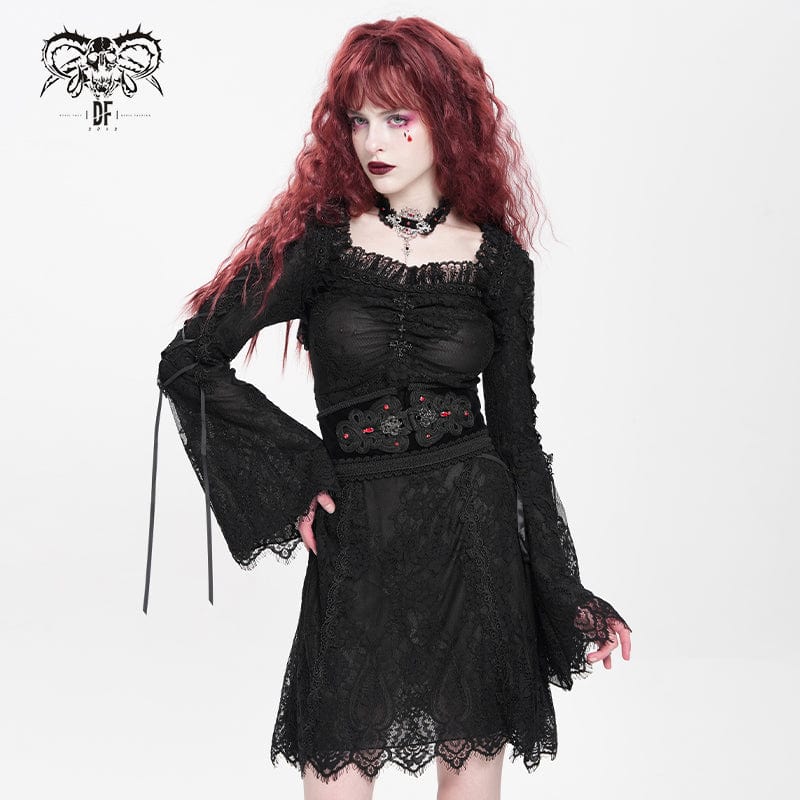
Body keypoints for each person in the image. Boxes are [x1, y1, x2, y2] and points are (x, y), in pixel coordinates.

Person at [143, 15, 633, 800]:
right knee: (336, 772)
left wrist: (564, 589)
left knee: (471, 777)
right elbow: (189, 360)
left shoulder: (499, 263)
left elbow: (517, 434)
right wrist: (298, 473)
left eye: (398, 117)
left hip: (474, 539)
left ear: (448, 119)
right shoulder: (321, 249)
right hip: (359, 538)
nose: (375, 140)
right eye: (359, 119)